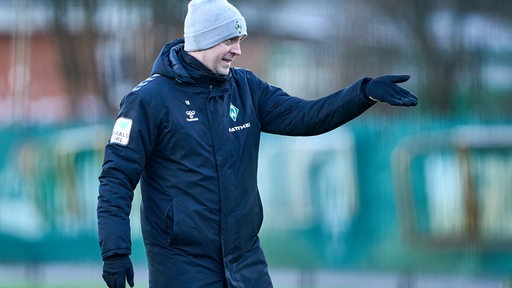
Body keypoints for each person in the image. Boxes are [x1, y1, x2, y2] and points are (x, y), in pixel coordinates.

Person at [97, 0, 418, 287]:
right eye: (230, 40)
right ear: (204, 40)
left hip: (245, 260)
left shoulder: (247, 88)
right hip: (181, 264)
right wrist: (115, 250)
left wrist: (363, 93)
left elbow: (306, 116)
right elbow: (117, 178)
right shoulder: (148, 100)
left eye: (240, 40)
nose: (238, 50)